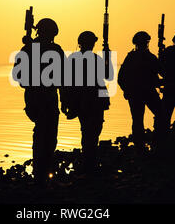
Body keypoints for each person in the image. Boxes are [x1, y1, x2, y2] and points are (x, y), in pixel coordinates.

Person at [13, 18, 67, 186]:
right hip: (44, 99)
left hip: (36, 98)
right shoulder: (52, 50)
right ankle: (41, 176)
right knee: (47, 137)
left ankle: (41, 174)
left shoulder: (29, 49)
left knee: (43, 135)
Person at [64, 31, 112, 174]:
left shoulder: (74, 59)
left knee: (88, 131)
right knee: (92, 131)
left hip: (86, 101)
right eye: (91, 42)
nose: (92, 45)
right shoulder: (93, 59)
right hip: (90, 101)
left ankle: (89, 162)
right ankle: (89, 163)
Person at [118, 31, 163, 154]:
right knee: (157, 115)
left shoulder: (132, 58)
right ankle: (153, 143)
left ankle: (143, 146)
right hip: (144, 93)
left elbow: (121, 78)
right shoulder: (146, 57)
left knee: (139, 119)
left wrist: (127, 90)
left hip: (140, 93)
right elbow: (121, 78)